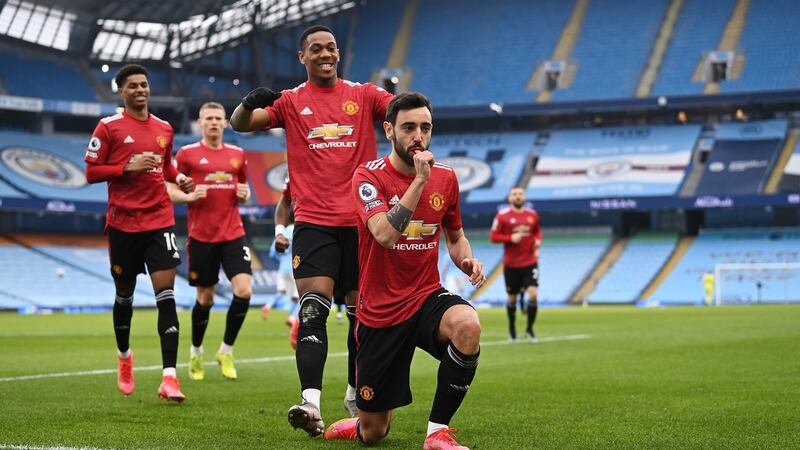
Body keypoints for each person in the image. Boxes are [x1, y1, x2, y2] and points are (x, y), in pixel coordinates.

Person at [230, 24, 393, 435]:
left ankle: (355, 393)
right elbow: (240, 124)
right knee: (312, 311)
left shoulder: (364, 95)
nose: (326, 54)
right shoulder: (291, 102)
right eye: (316, 49)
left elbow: (402, 113)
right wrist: (249, 102)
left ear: (339, 53)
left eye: (332, 47)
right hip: (314, 223)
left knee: (362, 318)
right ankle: (311, 403)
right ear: (302, 57)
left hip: (363, 223)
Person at [324, 92, 485, 449]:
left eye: (425, 128)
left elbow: (455, 235)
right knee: (374, 434)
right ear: (389, 131)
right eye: (409, 127)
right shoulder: (368, 176)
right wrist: (419, 182)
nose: (419, 136)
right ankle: (361, 421)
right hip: (380, 309)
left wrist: (466, 260)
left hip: (425, 294)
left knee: (467, 325)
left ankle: (437, 432)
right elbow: (384, 234)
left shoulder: (447, 178)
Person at [84, 63, 194, 402]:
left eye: (144, 84)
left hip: (160, 220)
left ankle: (169, 378)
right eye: (132, 86)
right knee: (124, 297)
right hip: (123, 226)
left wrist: (179, 178)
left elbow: (168, 164)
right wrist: (125, 167)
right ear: (121, 91)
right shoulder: (108, 128)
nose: (140, 90)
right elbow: (90, 172)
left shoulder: (163, 127)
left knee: (167, 295)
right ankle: (124, 357)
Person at [166, 102, 252, 381]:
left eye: (218, 118)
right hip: (201, 237)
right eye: (209, 119)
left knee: (244, 291)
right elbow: (168, 189)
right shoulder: (187, 155)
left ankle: (226, 350)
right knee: (205, 298)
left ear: (226, 123)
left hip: (233, 234)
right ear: (199, 123)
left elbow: (244, 191)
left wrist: (245, 195)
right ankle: (196, 352)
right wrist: (189, 197)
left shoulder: (238, 155)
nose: (214, 123)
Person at [490, 187, 542, 343]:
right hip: (512, 264)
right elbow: (493, 236)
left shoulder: (533, 215)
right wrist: (510, 238)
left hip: (530, 262)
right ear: (509, 197)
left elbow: (537, 231)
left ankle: (530, 329)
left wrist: (538, 241)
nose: (518, 196)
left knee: (533, 293)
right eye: (515, 194)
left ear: (524, 196)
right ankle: (512, 328)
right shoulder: (502, 216)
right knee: (512, 298)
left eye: (520, 194)